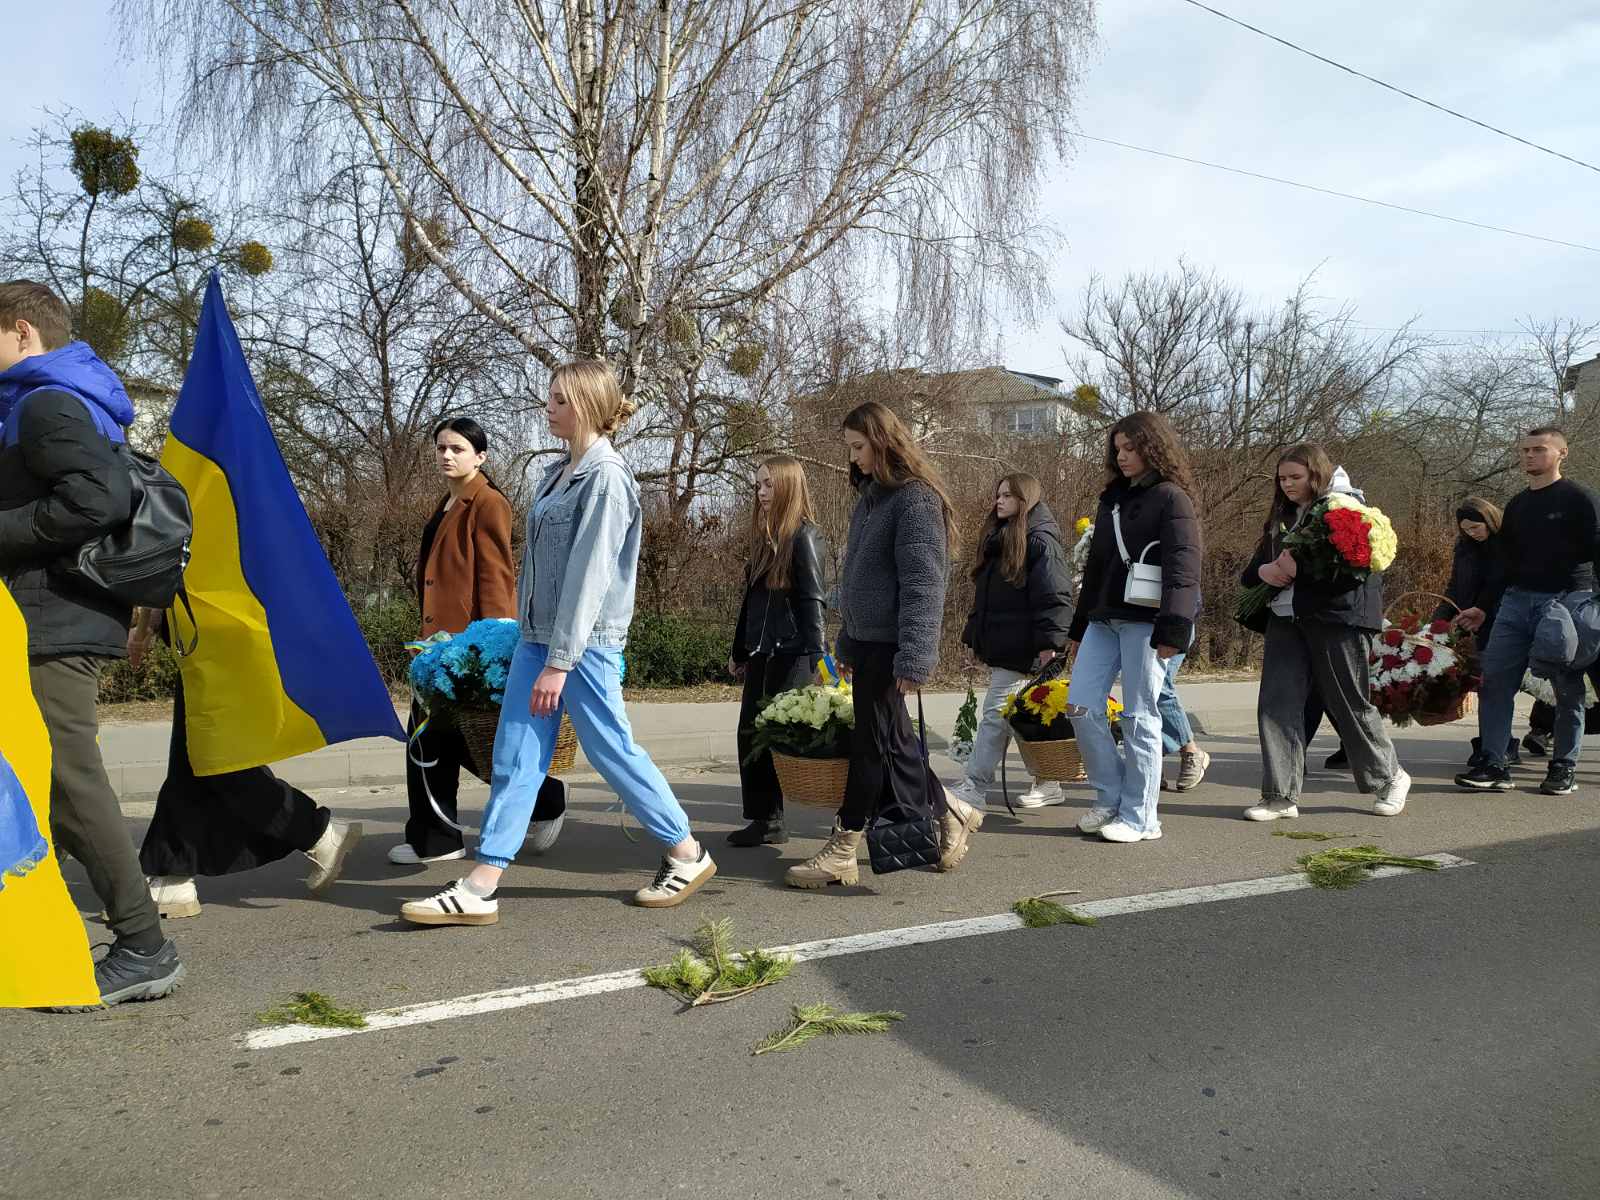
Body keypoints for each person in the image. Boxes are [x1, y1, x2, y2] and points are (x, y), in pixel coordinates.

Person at [401, 360, 716, 923]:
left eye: (559, 400)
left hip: (584, 645)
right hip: (536, 640)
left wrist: (560, 662)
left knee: (610, 749)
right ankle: (481, 883)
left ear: (589, 406)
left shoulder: (607, 478)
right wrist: (522, 636)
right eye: (549, 398)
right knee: (515, 755)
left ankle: (685, 851)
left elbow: (590, 578)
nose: (548, 407)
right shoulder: (554, 473)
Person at [0, 279, 183, 1006]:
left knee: (65, 780)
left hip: (56, 614)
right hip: (56, 611)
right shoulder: (48, 399)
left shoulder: (45, 404)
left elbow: (96, 498)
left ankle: (144, 943)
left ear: (21, 333)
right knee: (41, 780)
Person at [785, 400, 977, 887]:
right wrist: (847, 642)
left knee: (872, 747)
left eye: (857, 447)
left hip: (893, 648)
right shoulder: (872, 497)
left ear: (883, 441)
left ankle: (844, 846)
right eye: (849, 448)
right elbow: (858, 581)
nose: (852, 458)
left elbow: (923, 583)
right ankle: (950, 810)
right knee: (893, 742)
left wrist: (914, 656)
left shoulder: (915, 500)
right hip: (868, 643)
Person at [392, 417, 566, 865]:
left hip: (465, 648)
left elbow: (496, 578)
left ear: (481, 456)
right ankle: (438, 839)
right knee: (433, 742)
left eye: (458, 449)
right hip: (436, 647)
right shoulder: (448, 503)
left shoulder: (487, 503)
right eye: (441, 448)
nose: (447, 455)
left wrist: (493, 646)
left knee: (461, 742)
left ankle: (545, 799)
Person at [133, 611, 364, 913]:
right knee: (196, 759)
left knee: (215, 758)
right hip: (212, 629)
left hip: (217, 630)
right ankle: (172, 877)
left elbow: (182, 567)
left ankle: (317, 831)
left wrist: (146, 623)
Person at [1243, 445, 1410, 821]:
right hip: (1285, 619)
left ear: (1316, 475)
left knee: (1347, 702)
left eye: (1295, 478)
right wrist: (1264, 572)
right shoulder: (1281, 516)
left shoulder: (1345, 509)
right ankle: (1279, 796)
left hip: (1338, 621)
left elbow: (1354, 573)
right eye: (1282, 478)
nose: (1287, 485)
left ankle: (1391, 777)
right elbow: (1253, 570)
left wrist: (1301, 572)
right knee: (1276, 704)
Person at [1063, 412, 1201, 843]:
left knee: (1141, 715)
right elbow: (1099, 565)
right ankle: (1111, 798)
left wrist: (1174, 627)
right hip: (1105, 618)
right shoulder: (1113, 499)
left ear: (1153, 447)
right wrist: (1077, 627)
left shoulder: (1171, 498)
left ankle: (1142, 817)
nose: (1122, 457)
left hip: (1149, 620)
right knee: (1080, 706)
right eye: (1117, 449)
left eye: (1131, 448)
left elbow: (1184, 567)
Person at [1455, 427, 1600, 796]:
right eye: (1524, 450)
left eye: (1539, 449)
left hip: (1567, 600)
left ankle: (1563, 766)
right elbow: (1505, 564)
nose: (1529, 456)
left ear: (1562, 453)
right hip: (1516, 601)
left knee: (1566, 689)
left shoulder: (1580, 499)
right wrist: (1484, 608)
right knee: (1495, 683)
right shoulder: (1518, 504)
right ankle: (1494, 764)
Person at [949, 473, 1073, 811]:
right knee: (1015, 716)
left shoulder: (1040, 541)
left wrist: (1050, 644)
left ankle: (974, 786)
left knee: (995, 716)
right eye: (998, 494)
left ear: (1026, 499)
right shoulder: (1002, 538)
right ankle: (1048, 781)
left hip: (1027, 649)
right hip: (1007, 646)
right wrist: (975, 640)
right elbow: (988, 601)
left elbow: (1055, 596)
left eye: (1008, 495)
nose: (999, 501)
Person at [727, 456, 828, 847]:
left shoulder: (804, 536)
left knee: (788, 738)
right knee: (751, 735)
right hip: (762, 653)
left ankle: (854, 811)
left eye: (768, 484)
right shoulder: (766, 539)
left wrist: (820, 658)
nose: (761, 492)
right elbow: (751, 603)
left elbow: (813, 600)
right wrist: (740, 650)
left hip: (793, 654)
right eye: (758, 485)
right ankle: (765, 819)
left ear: (788, 486)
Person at [1433, 497, 1515, 769]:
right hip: (1470, 620)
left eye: (1476, 528)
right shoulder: (1465, 548)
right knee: (1483, 684)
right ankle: (1491, 742)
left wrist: (1482, 608)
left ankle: (1498, 745)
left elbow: (1500, 583)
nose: (1472, 533)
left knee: (1494, 685)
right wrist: (1440, 620)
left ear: (1489, 521)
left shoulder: (1504, 545)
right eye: (1466, 529)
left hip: (1500, 619)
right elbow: (1454, 585)